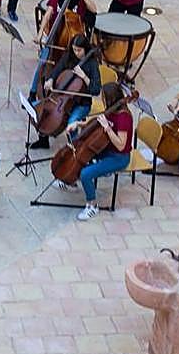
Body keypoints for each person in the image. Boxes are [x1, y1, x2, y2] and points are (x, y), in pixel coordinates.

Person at [65, 82, 131, 220]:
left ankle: (92, 205)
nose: (102, 101)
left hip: (119, 157)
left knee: (86, 173)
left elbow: (121, 145)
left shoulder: (124, 117)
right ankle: (70, 180)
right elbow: (95, 121)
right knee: (81, 155)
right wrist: (78, 123)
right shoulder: (112, 109)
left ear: (111, 98)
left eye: (104, 98)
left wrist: (107, 128)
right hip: (106, 149)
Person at [29, 34, 100, 149]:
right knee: (38, 109)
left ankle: (75, 147)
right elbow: (57, 69)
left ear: (85, 49)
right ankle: (43, 141)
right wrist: (51, 79)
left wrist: (85, 77)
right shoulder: (69, 56)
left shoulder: (92, 64)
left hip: (82, 104)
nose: (76, 53)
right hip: (61, 98)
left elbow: (96, 90)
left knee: (72, 121)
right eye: (74, 49)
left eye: (79, 50)